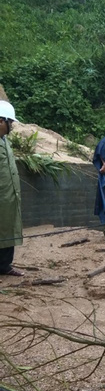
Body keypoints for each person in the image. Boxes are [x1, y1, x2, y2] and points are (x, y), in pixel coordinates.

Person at [0, 101, 24, 276]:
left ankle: (4, 266)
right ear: (1, 121)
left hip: (9, 197)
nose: (13, 126)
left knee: (9, 228)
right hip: (2, 196)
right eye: (11, 122)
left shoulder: (5, 141)